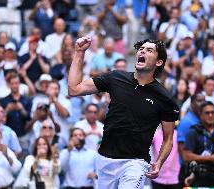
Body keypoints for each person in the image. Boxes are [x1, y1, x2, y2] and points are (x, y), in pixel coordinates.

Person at [68, 36, 179, 189]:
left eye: (149, 50)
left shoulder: (165, 98)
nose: (143, 51)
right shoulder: (115, 78)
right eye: (141, 49)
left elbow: (168, 138)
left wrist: (159, 162)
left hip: (136, 162)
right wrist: (79, 52)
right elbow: (74, 89)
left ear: (158, 62)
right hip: (105, 159)